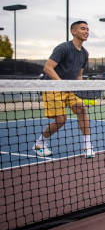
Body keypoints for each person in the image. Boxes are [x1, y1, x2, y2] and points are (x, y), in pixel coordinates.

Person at [32, 21, 94, 158]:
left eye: (88, 29)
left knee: (81, 109)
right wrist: (61, 84)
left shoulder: (84, 53)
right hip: (52, 87)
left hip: (70, 89)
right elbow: (48, 68)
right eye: (83, 29)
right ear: (73, 31)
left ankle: (87, 146)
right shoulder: (63, 48)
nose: (86, 32)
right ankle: (39, 144)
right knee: (61, 120)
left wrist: (80, 90)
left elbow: (79, 74)